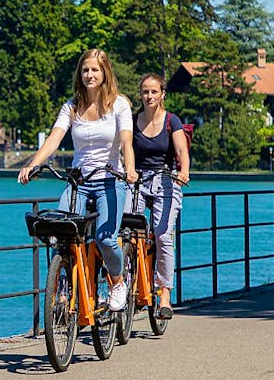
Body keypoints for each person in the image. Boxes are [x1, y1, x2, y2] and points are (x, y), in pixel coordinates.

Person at [17, 48, 137, 311]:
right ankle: (63, 286)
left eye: (95, 70)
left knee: (106, 239)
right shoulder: (72, 106)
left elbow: (127, 141)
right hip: (78, 182)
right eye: (85, 70)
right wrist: (33, 164)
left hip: (110, 180)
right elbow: (54, 138)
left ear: (105, 73)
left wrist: (130, 169)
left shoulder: (119, 104)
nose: (89, 75)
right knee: (60, 233)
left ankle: (118, 282)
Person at [132, 73, 189, 319]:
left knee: (163, 235)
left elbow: (181, 150)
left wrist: (184, 171)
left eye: (154, 91)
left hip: (165, 180)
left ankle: (164, 294)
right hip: (136, 180)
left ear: (162, 94)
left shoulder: (171, 121)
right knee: (128, 233)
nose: (149, 96)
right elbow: (124, 149)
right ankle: (132, 284)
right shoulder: (133, 120)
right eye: (145, 91)